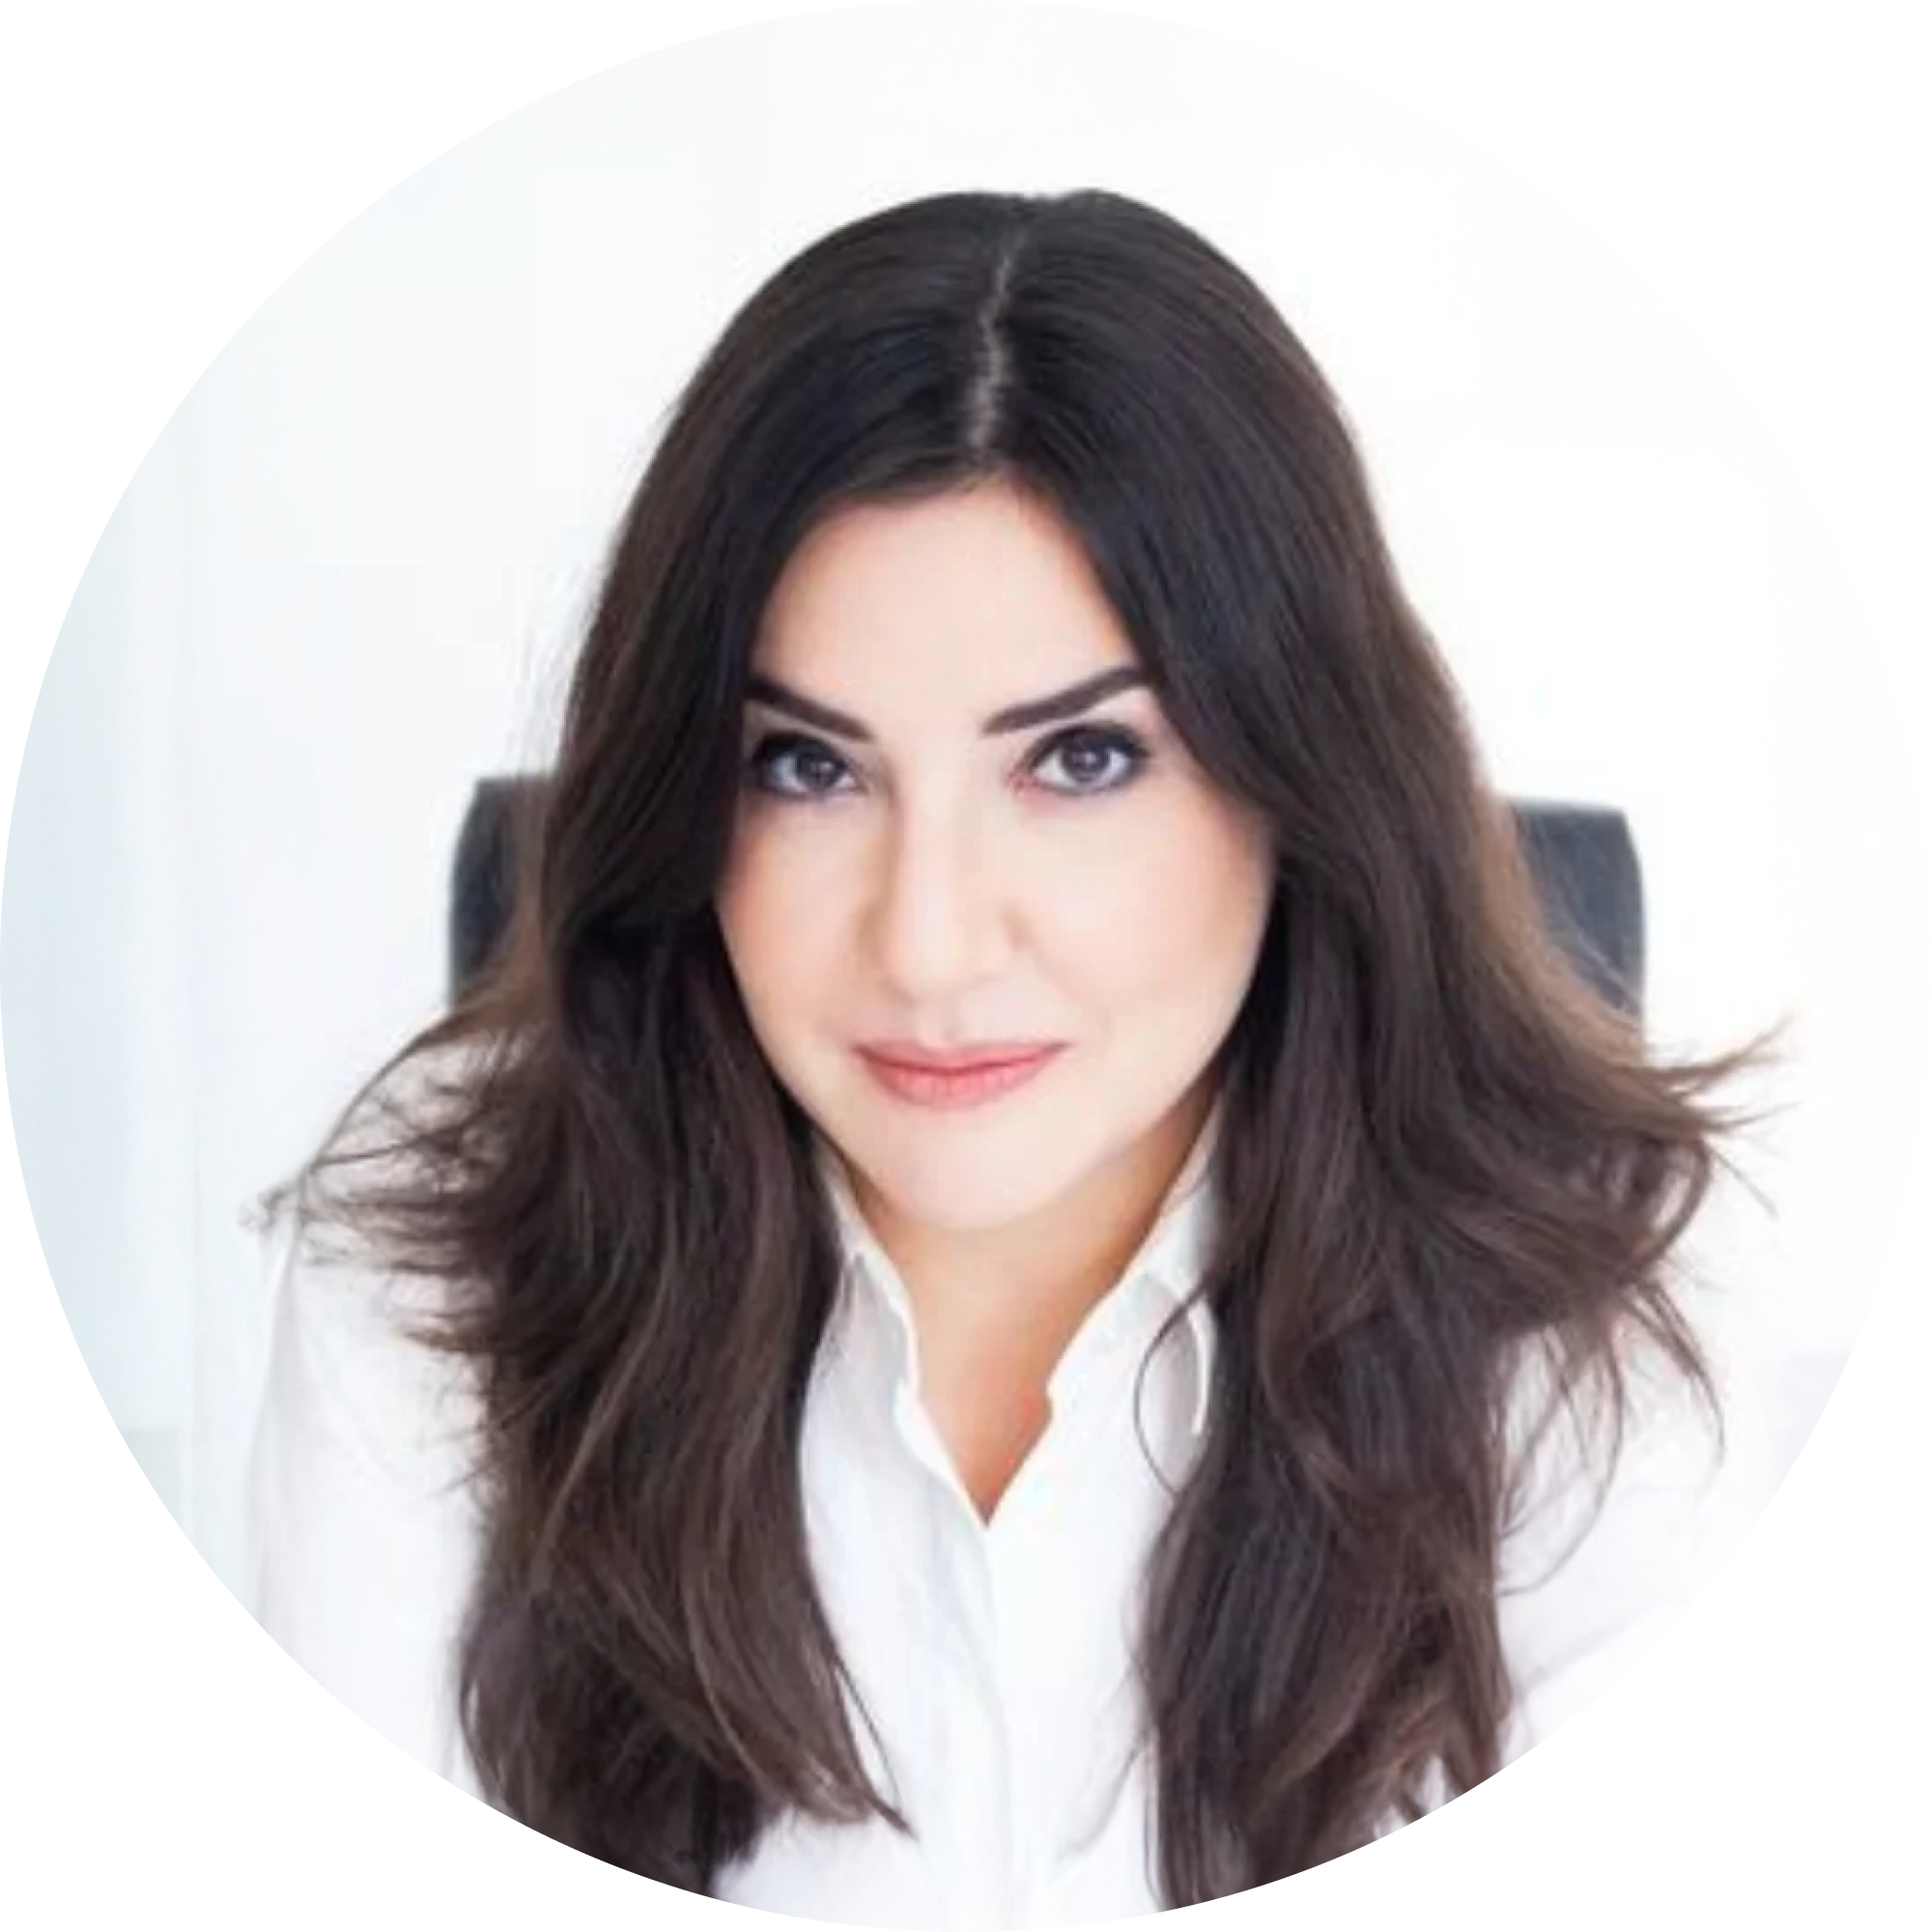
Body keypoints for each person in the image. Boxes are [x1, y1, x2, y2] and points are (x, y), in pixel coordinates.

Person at [247, 188, 1778, 1921]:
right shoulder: (447, 1245)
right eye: (808, 768)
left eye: (1080, 762)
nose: (929, 945)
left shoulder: (1602, 1307)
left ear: (1302, 779)